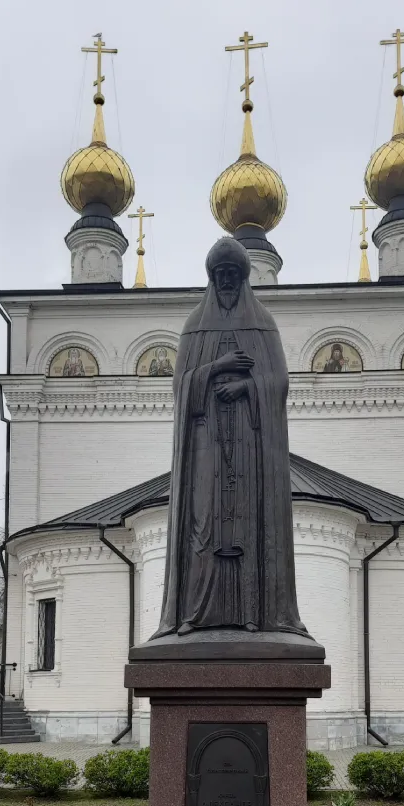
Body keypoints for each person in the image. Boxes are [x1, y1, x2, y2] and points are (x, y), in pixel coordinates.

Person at [153, 236, 307, 638]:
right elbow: (180, 387)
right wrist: (218, 366)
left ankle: (254, 612)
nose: (225, 281)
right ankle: (194, 613)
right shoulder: (194, 327)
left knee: (248, 525)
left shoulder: (263, 323)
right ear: (211, 278)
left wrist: (244, 388)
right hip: (206, 443)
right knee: (202, 524)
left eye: (232, 275)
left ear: (242, 279)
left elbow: (278, 381)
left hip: (249, 445)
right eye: (219, 274)